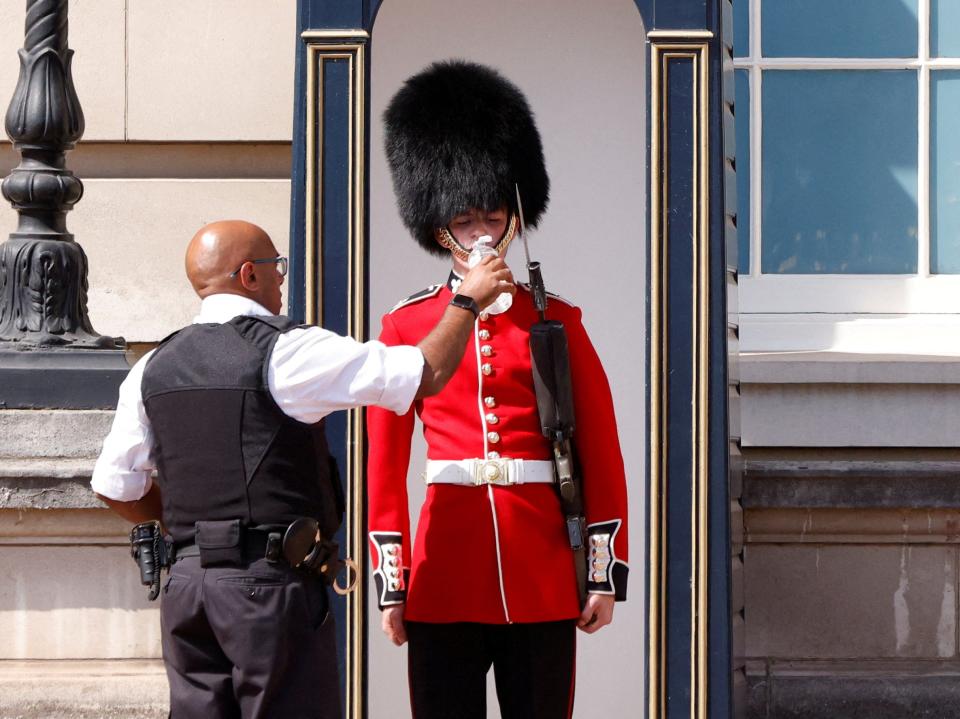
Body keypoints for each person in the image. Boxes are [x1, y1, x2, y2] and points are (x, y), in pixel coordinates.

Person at [90, 219, 514, 719]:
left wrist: (187, 531)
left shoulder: (151, 366)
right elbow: (426, 372)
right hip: (267, 587)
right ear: (249, 274)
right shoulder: (285, 350)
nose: (281, 279)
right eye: (277, 268)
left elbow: (115, 486)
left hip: (187, 588)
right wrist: (466, 301)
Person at [367, 60, 629, 719]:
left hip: (538, 568)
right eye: (465, 220)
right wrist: (391, 581)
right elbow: (384, 465)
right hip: (444, 567)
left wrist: (603, 570)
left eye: (492, 216)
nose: (482, 233)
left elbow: (602, 451)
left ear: (514, 219)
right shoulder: (406, 324)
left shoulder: (558, 321)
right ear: (439, 231)